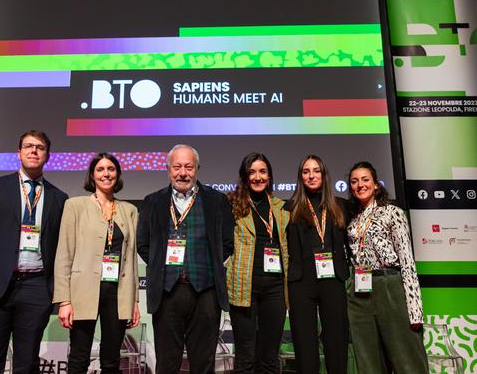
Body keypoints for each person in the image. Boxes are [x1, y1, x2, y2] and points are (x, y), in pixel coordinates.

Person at [0, 130, 68, 374]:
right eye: (28, 146)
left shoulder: (59, 198)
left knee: (27, 364)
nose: (34, 150)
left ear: (48, 156)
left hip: (36, 288)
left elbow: (63, 251)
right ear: (18, 153)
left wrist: (59, 292)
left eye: (40, 147)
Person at [137, 144, 234, 374]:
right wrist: (162, 267)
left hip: (206, 293)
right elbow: (143, 244)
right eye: (177, 167)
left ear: (197, 168)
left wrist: (208, 266)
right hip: (167, 294)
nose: (183, 173)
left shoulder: (216, 200)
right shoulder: (153, 201)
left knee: (203, 364)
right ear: (168, 169)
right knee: (167, 364)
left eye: (189, 167)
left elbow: (227, 243)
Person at [53, 153, 140, 374]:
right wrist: (64, 301)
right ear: (92, 175)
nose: (106, 174)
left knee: (111, 360)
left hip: (118, 292)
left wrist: (134, 301)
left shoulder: (129, 210)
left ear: (117, 174)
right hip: (83, 291)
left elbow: (131, 259)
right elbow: (64, 254)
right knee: (79, 358)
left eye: (111, 169)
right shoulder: (75, 205)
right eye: (100, 169)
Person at [346, 161, 428, 373]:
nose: (360, 185)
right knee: (368, 363)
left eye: (365, 180)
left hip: (390, 285)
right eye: (354, 181)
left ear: (376, 184)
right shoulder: (352, 220)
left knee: (407, 360)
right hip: (360, 290)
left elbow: (407, 261)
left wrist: (415, 310)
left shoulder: (393, 212)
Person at [225, 153, 290, 373]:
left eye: (262, 172)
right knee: (246, 356)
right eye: (252, 172)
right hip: (244, 287)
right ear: (245, 177)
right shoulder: (232, 205)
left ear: (269, 176)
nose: (258, 177)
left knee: (270, 356)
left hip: (275, 288)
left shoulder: (282, 208)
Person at [285, 154, 349, 374]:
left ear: (324, 175)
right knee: (305, 346)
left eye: (316, 171)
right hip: (301, 282)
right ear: (300, 177)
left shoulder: (341, 206)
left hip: (333, 279)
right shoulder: (290, 208)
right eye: (306, 172)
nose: (311, 176)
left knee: (336, 342)